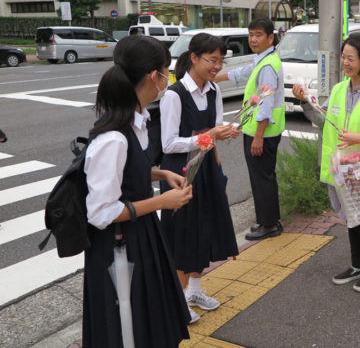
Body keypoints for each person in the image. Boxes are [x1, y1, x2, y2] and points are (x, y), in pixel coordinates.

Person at [83, 35, 193, 347]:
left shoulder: (136, 122)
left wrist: (160, 172)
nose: (167, 81)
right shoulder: (114, 138)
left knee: (148, 325)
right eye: (166, 73)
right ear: (153, 77)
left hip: (139, 237)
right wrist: (162, 200)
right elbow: (101, 213)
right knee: (128, 331)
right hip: (119, 249)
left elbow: (128, 171)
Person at [292, 33, 360, 292]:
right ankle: (358, 265)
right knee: (351, 218)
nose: (345, 63)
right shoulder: (339, 89)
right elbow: (322, 120)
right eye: (344, 57)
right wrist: (305, 101)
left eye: (351, 58)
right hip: (341, 169)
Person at [159, 33, 239, 324]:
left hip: (205, 168)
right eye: (211, 60)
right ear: (193, 58)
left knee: (204, 230)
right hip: (179, 172)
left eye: (220, 60)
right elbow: (168, 144)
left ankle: (193, 291)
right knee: (183, 236)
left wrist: (222, 137)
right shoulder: (173, 94)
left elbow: (214, 131)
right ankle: (177, 302)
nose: (216, 66)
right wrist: (209, 137)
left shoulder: (214, 90)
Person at [215, 17, 285, 241]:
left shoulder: (267, 66)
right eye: (251, 34)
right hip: (262, 131)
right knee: (262, 177)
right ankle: (268, 220)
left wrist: (258, 137)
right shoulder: (264, 60)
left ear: (270, 37)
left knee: (262, 178)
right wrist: (215, 77)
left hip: (262, 133)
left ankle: (270, 225)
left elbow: (266, 103)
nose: (253, 39)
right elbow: (243, 72)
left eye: (258, 35)